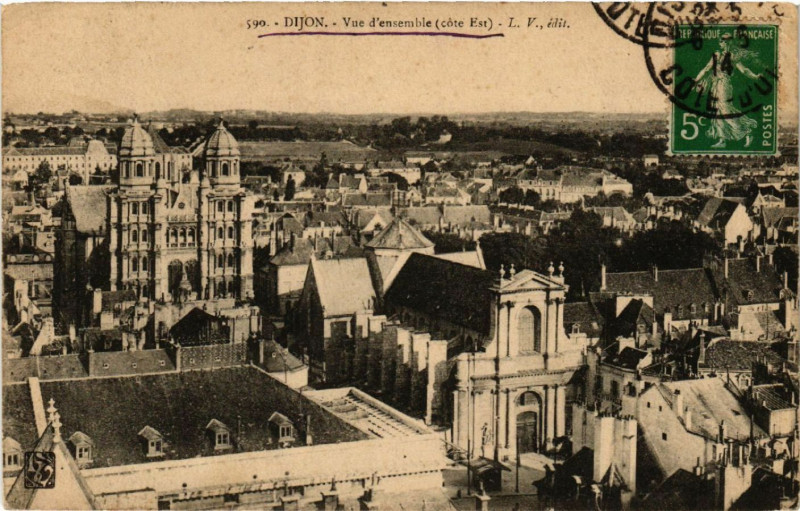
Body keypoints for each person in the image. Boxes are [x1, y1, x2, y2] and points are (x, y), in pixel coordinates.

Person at [693, 32, 760, 148]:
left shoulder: (733, 56)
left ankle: (747, 132)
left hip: (724, 84)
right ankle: (722, 140)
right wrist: (696, 81)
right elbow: (706, 69)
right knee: (717, 111)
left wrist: (755, 76)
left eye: (728, 41)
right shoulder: (716, 55)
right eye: (723, 41)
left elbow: (744, 70)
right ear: (720, 43)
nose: (726, 43)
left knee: (725, 110)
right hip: (715, 85)